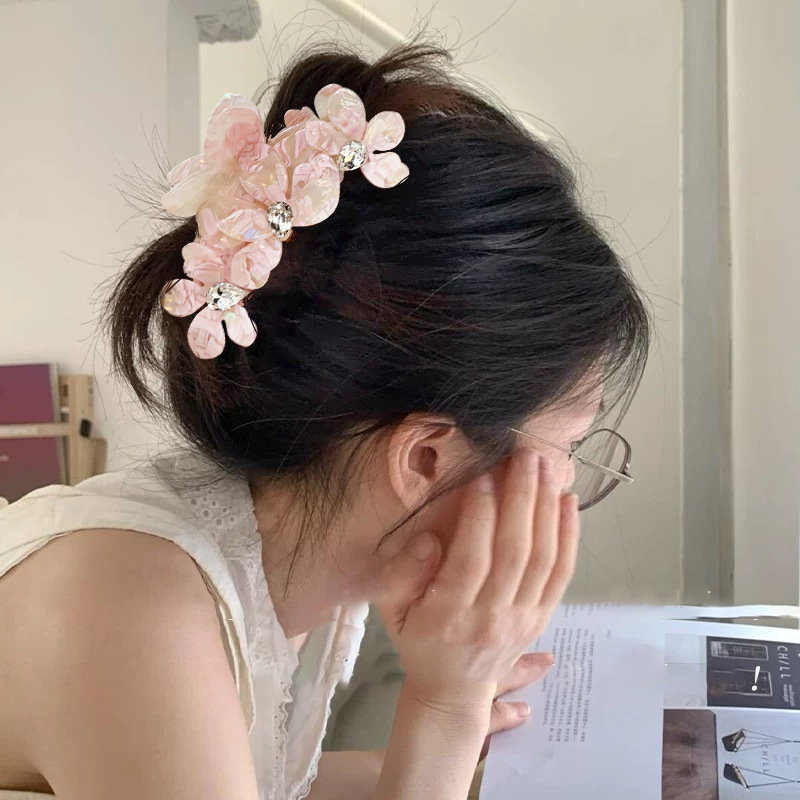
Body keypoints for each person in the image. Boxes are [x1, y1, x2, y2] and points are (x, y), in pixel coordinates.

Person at [0, 43, 650, 800]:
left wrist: (459, 748)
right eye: (571, 446)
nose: (568, 486)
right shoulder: (133, 613)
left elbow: (264, 781)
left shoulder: (280, 556)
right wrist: (445, 708)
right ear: (425, 459)